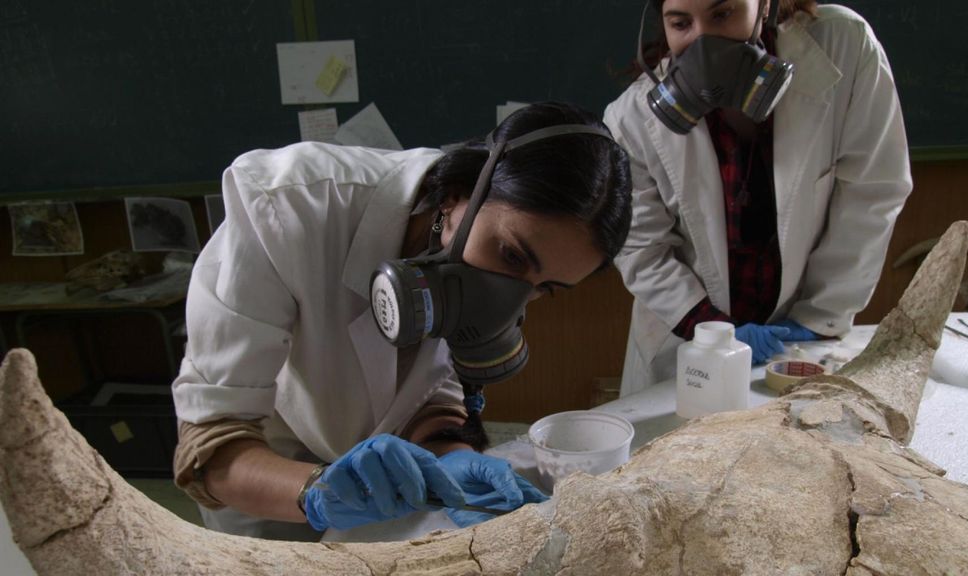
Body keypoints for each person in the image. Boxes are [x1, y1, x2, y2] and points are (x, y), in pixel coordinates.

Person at [170, 101, 632, 540]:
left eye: (544, 288)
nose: (509, 303)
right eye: (511, 256)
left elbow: (435, 392)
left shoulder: (482, 254)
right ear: (457, 196)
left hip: (384, 476)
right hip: (264, 463)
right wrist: (318, 493)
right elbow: (209, 448)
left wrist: (450, 451)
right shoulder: (289, 206)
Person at [605, 0, 912, 396]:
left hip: (800, 334)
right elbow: (640, 248)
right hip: (689, 342)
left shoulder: (844, 46)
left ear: (764, 6)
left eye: (722, 14)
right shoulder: (630, 119)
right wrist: (711, 329)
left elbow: (872, 192)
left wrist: (820, 316)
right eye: (681, 23)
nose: (703, 41)